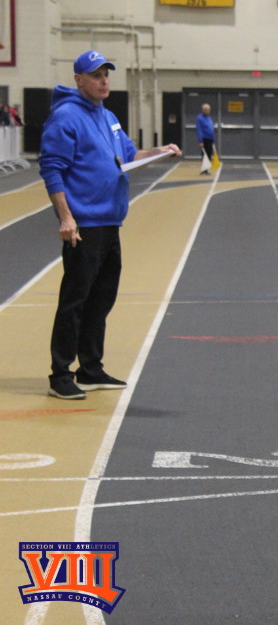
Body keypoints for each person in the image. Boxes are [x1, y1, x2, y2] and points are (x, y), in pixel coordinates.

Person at [40, 50, 180, 400]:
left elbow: (129, 156)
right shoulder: (66, 117)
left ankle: (90, 368)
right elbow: (52, 169)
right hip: (84, 224)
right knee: (75, 300)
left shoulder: (109, 116)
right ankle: (60, 374)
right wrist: (66, 217)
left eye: (106, 74)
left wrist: (159, 151)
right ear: (79, 79)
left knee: (101, 299)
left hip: (110, 221)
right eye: (96, 75)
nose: (104, 81)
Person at [195, 103, 216, 174]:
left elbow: (211, 128)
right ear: (203, 110)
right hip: (204, 139)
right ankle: (204, 170)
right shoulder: (200, 118)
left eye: (208, 110)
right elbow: (199, 130)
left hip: (210, 138)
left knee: (209, 154)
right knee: (205, 155)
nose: (208, 111)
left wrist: (213, 139)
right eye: (206, 110)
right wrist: (200, 141)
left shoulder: (209, 118)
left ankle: (206, 169)